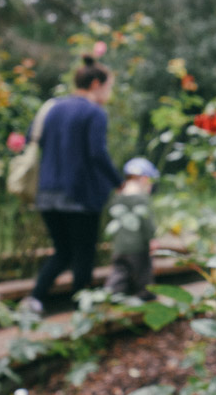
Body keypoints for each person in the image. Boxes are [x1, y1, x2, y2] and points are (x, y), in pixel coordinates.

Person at [20, 55, 122, 313]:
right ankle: (83, 311)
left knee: (62, 252)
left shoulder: (51, 108)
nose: (109, 93)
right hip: (80, 194)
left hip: (47, 194)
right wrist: (118, 183)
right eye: (109, 87)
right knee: (84, 253)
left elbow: (31, 138)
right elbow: (97, 154)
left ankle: (34, 299)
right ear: (96, 83)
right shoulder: (94, 112)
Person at [104, 157, 160, 301]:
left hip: (120, 247)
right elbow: (147, 223)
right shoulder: (141, 199)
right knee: (143, 273)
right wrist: (152, 239)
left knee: (119, 272)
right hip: (138, 247)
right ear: (144, 179)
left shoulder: (117, 198)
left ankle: (111, 295)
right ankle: (146, 295)